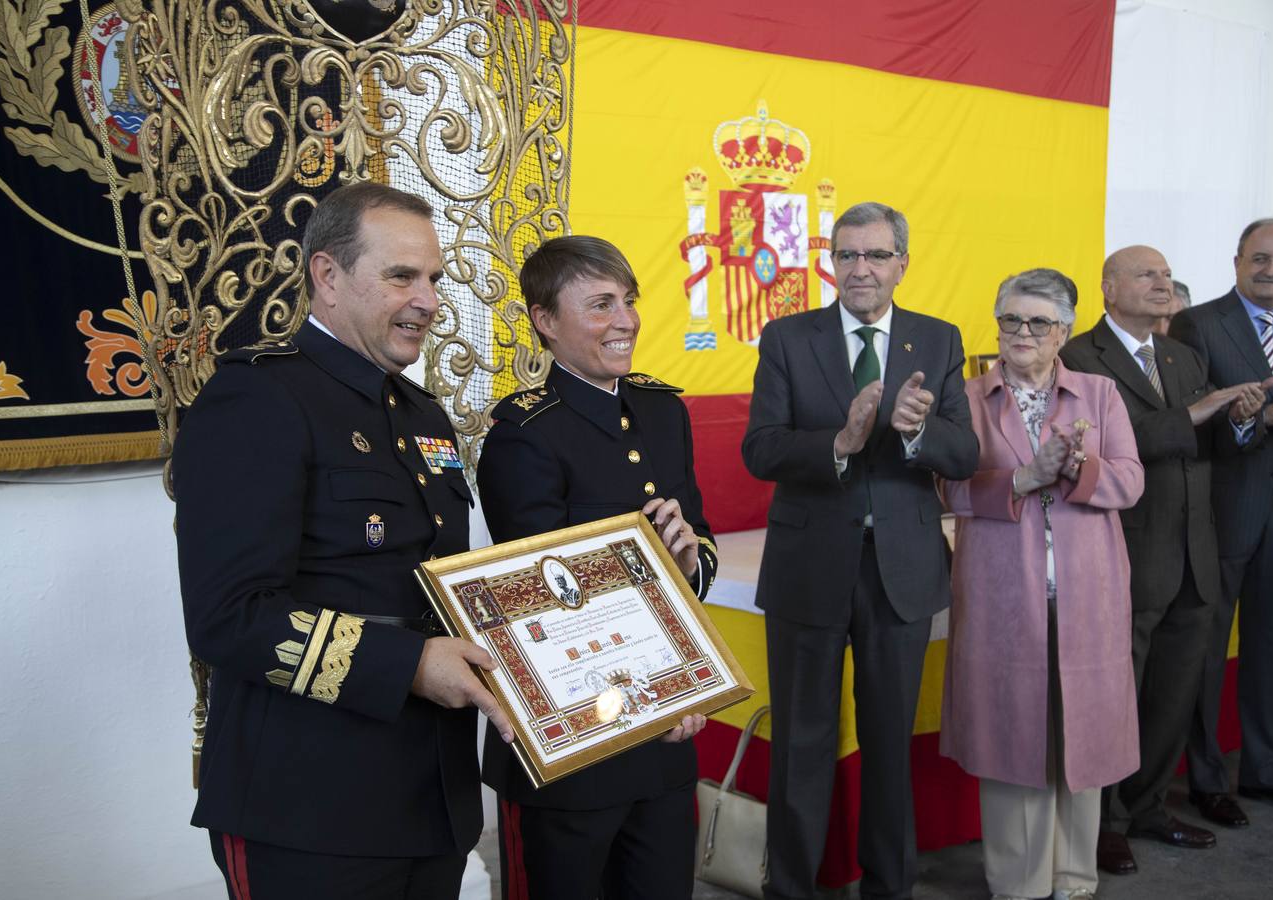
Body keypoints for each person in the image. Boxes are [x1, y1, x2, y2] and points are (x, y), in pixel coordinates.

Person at [173, 183, 514, 899]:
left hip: (431, 799)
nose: (428, 300)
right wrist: (411, 665)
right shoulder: (258, 399)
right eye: (402, 276)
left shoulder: (422, 415)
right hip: (309, 807)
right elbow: (229, 617)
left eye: (434, 279)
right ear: (327, 276)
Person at [743, 202, 979, 900]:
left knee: (889, 743)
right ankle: (791, 888)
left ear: (902, 262)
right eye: (847, 255)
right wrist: (839, 443)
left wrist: (917, 432)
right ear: (832, 263)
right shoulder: (787, 337)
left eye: (876, 255)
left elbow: (965, 453)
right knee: (801, 744)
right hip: (809, 569)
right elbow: (761, 448)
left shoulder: (938, 339)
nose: (861, 269)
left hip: (901, 571)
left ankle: (889, 886)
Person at [476, 235, 718, 900]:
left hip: (665, 741)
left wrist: (686, 567)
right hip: (574, 749)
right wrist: (650, 697)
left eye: (629, 301)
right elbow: (537, 608)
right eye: (601, 304)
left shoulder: (663, 412)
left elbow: (697, 540)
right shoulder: (524, 435)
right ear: (546, 321)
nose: (626, 320)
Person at [1061, 247, 1268, 876]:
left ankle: (1148, 806)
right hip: (1124, 553)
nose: (1162, 283)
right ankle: (1103, 823)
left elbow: (1214, 440)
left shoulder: (1181, 355)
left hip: (1193, 554)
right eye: (1146, 274)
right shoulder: (1078, 357)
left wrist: (1239, 419)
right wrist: (1195, 413)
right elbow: (1099, 447)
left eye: (1166, 274)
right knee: (1114, 696)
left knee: (1173, 695)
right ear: (1108, 288)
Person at [941, 267, 1145, 900]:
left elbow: (1131, 481)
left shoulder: (1100, 393)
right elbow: (945, 488)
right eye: (1011, 319)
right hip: (1000, 591)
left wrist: (1077, 466)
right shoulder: (967, 397)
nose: (1022, 332)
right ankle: (1019, 883)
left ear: (1064, 332)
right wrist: (1023, 479)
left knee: (1084, 731)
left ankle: (1074, 878)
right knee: (1012, 733)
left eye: (1038, 322)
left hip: (1089, 592)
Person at [1172, 217, 1273, 821]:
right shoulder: (1198, 324)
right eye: (1261, 259)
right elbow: (1188, 419)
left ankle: (1267, 771)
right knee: (1205, 648)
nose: (1272, 270)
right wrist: (1267, 417)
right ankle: (1206, 780)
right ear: (1237, 261)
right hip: (1222, 508)